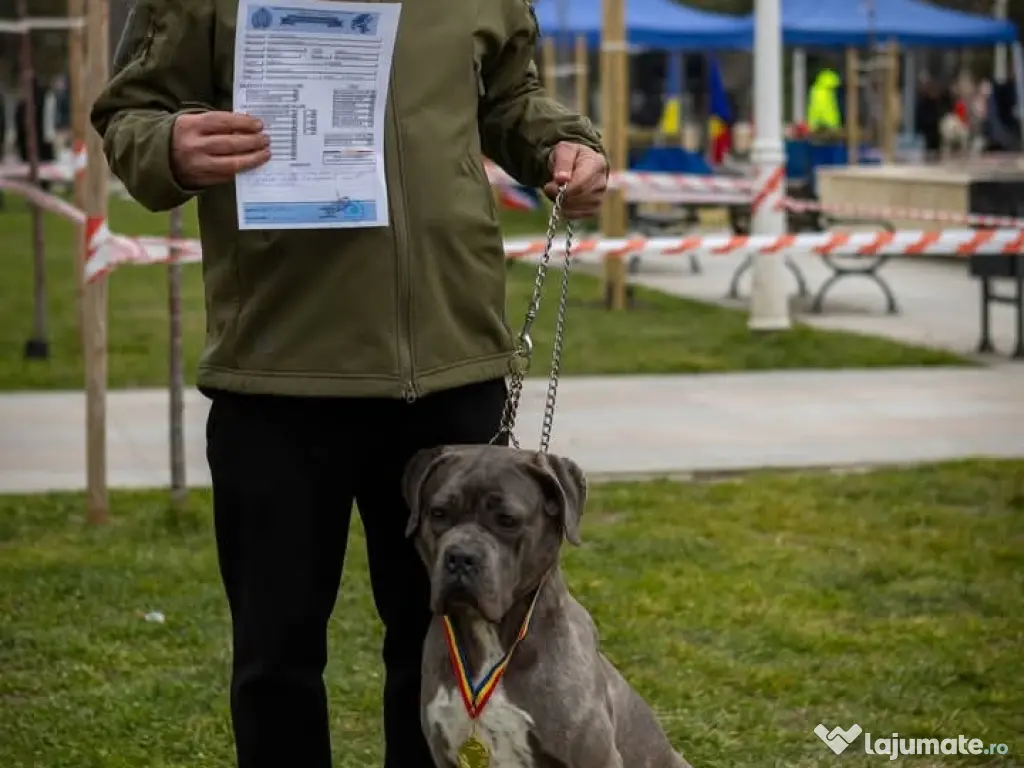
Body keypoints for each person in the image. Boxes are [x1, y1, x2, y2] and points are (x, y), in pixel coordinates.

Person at [90, 3, 608, 768]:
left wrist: (560, 142)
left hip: (452, 369)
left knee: (445, 648)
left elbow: (505, 94)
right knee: (277, 661)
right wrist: (165, 145)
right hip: (278, 374)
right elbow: (132, 109)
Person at [806, 68, 843, 133]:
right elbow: (820, 108)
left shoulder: (818, 90)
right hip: (827, 122)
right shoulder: (822, 91)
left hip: (819, 122)